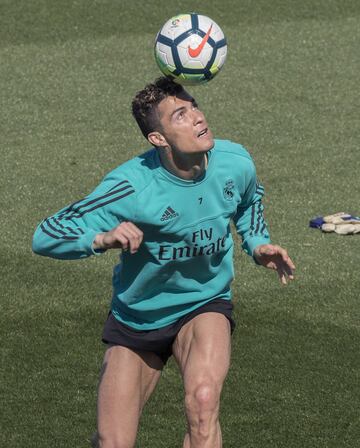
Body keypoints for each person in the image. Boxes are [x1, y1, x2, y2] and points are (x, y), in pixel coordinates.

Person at [32, 76, 295, 448]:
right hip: (138, 318)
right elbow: (45, 234)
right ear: (158, 139)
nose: (199, 118)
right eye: (181, 115)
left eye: (195, 106)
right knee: (112, 442)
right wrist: (102, 239)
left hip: (204, 303)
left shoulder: (234, 161)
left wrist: (257, 243)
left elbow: (250, 200)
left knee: (204, 402)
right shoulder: (131, 186)